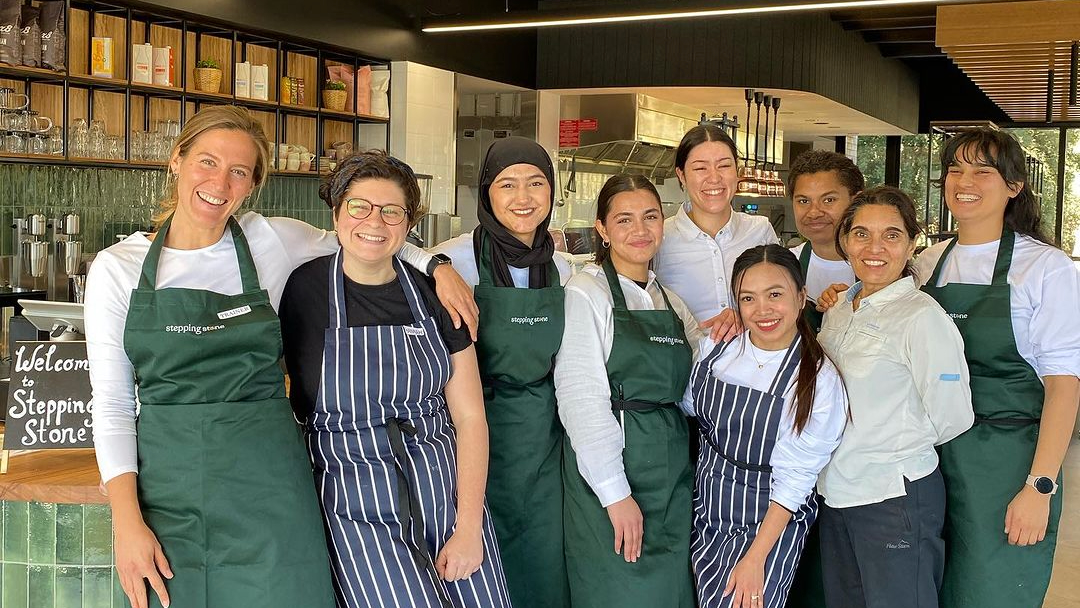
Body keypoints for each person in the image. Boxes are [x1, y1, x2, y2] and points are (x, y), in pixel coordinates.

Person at [86, 106, 475, 608]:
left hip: (271, 491)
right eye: (206, 162)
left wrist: (436, 265)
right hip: (169, 495)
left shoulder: (270, 240)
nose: (219, 182)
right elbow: (113, 405)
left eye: (238, 171)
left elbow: (368, 236)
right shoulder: (118, 268)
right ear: (176, 162)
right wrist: (126, 525)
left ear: (252, 185)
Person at [278, 150, 512, 608]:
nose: (374, 221)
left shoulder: (437, 294)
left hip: (445, 492)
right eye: (359, 206)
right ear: (337, 212)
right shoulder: (302, 288)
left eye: (392, 211)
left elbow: (469, 418)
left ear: (409, 224)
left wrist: (468, 529)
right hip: (353, 504)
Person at [914, 128, 1080, 608]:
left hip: (1007, 461)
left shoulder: (1045, 268)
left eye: (983, 170)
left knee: (990, 592)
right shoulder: (929, 262)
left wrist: (1040, 486)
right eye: (955, 168)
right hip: (932, 456)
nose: (965, 180)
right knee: (930, 588)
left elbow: (1065, 387)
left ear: (1014, 186)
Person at [430, 136, 573, 608]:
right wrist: (434, 266)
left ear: (551, 193)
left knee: (542, 559)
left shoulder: (565, 269)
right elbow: (393, 253)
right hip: (471, 434)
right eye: (507, 185)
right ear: (486, 193)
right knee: (478, 565)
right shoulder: (456, 259)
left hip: (544, 438)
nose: (523, 198)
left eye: (536, 183)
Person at [816, 186, 974, 608]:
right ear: (845, 241)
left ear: (910, 245)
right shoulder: (837, 310)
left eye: (891, 235)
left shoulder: (922, 317)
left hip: (894, 497)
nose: (875, 247)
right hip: (835, 490)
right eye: (861, 233)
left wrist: (891, 445)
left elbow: (953, 415)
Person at [554, 174, 702, 608]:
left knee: (671, 593)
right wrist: (615, 493)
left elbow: (699, 380)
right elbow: (581, 399)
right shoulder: (587, 292)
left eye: (650, 217)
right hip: (612, 475)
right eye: (624, 219)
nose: (640, 230)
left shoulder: (670, 301)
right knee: (620, 591)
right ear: (601, 229)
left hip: (671, 475)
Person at [683, 244, 847, 608]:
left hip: (769, 520)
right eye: (748, 298)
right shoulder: (718, 348)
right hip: (704, 508)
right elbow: (687, 406)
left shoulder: (817, 378)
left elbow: (796, 480)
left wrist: (756, 558)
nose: (763, 310)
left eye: (775, 294)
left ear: (801, 296)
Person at [653, 124, 779, 325]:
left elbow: (783, 298)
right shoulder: (660, 238)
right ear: (681, 175)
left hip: (754, 355)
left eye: (724, 166)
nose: (714, 178)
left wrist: (745, 318)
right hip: (686, 356)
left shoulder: (760, 230)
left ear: (737, 172)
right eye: (700, 168)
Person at [786, 150, 861, 333]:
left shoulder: (879, 267)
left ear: (856, 201)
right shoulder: (785, 267)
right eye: (803, 201)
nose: (814, 212)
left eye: (828, 200)